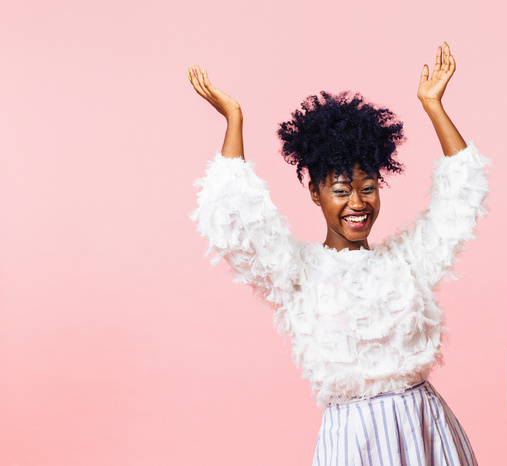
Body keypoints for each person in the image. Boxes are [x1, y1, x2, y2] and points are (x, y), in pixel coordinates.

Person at [188, 42, 489, 465]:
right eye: (341, 191)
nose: (357, 204)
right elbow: (235, 222)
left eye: (367, 188)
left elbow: (462, 196)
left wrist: (433, 105)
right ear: (316, 192)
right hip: (354, 441)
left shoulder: (407, 262)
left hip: (425, 428)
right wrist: (234, 119)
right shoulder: (298, 273)